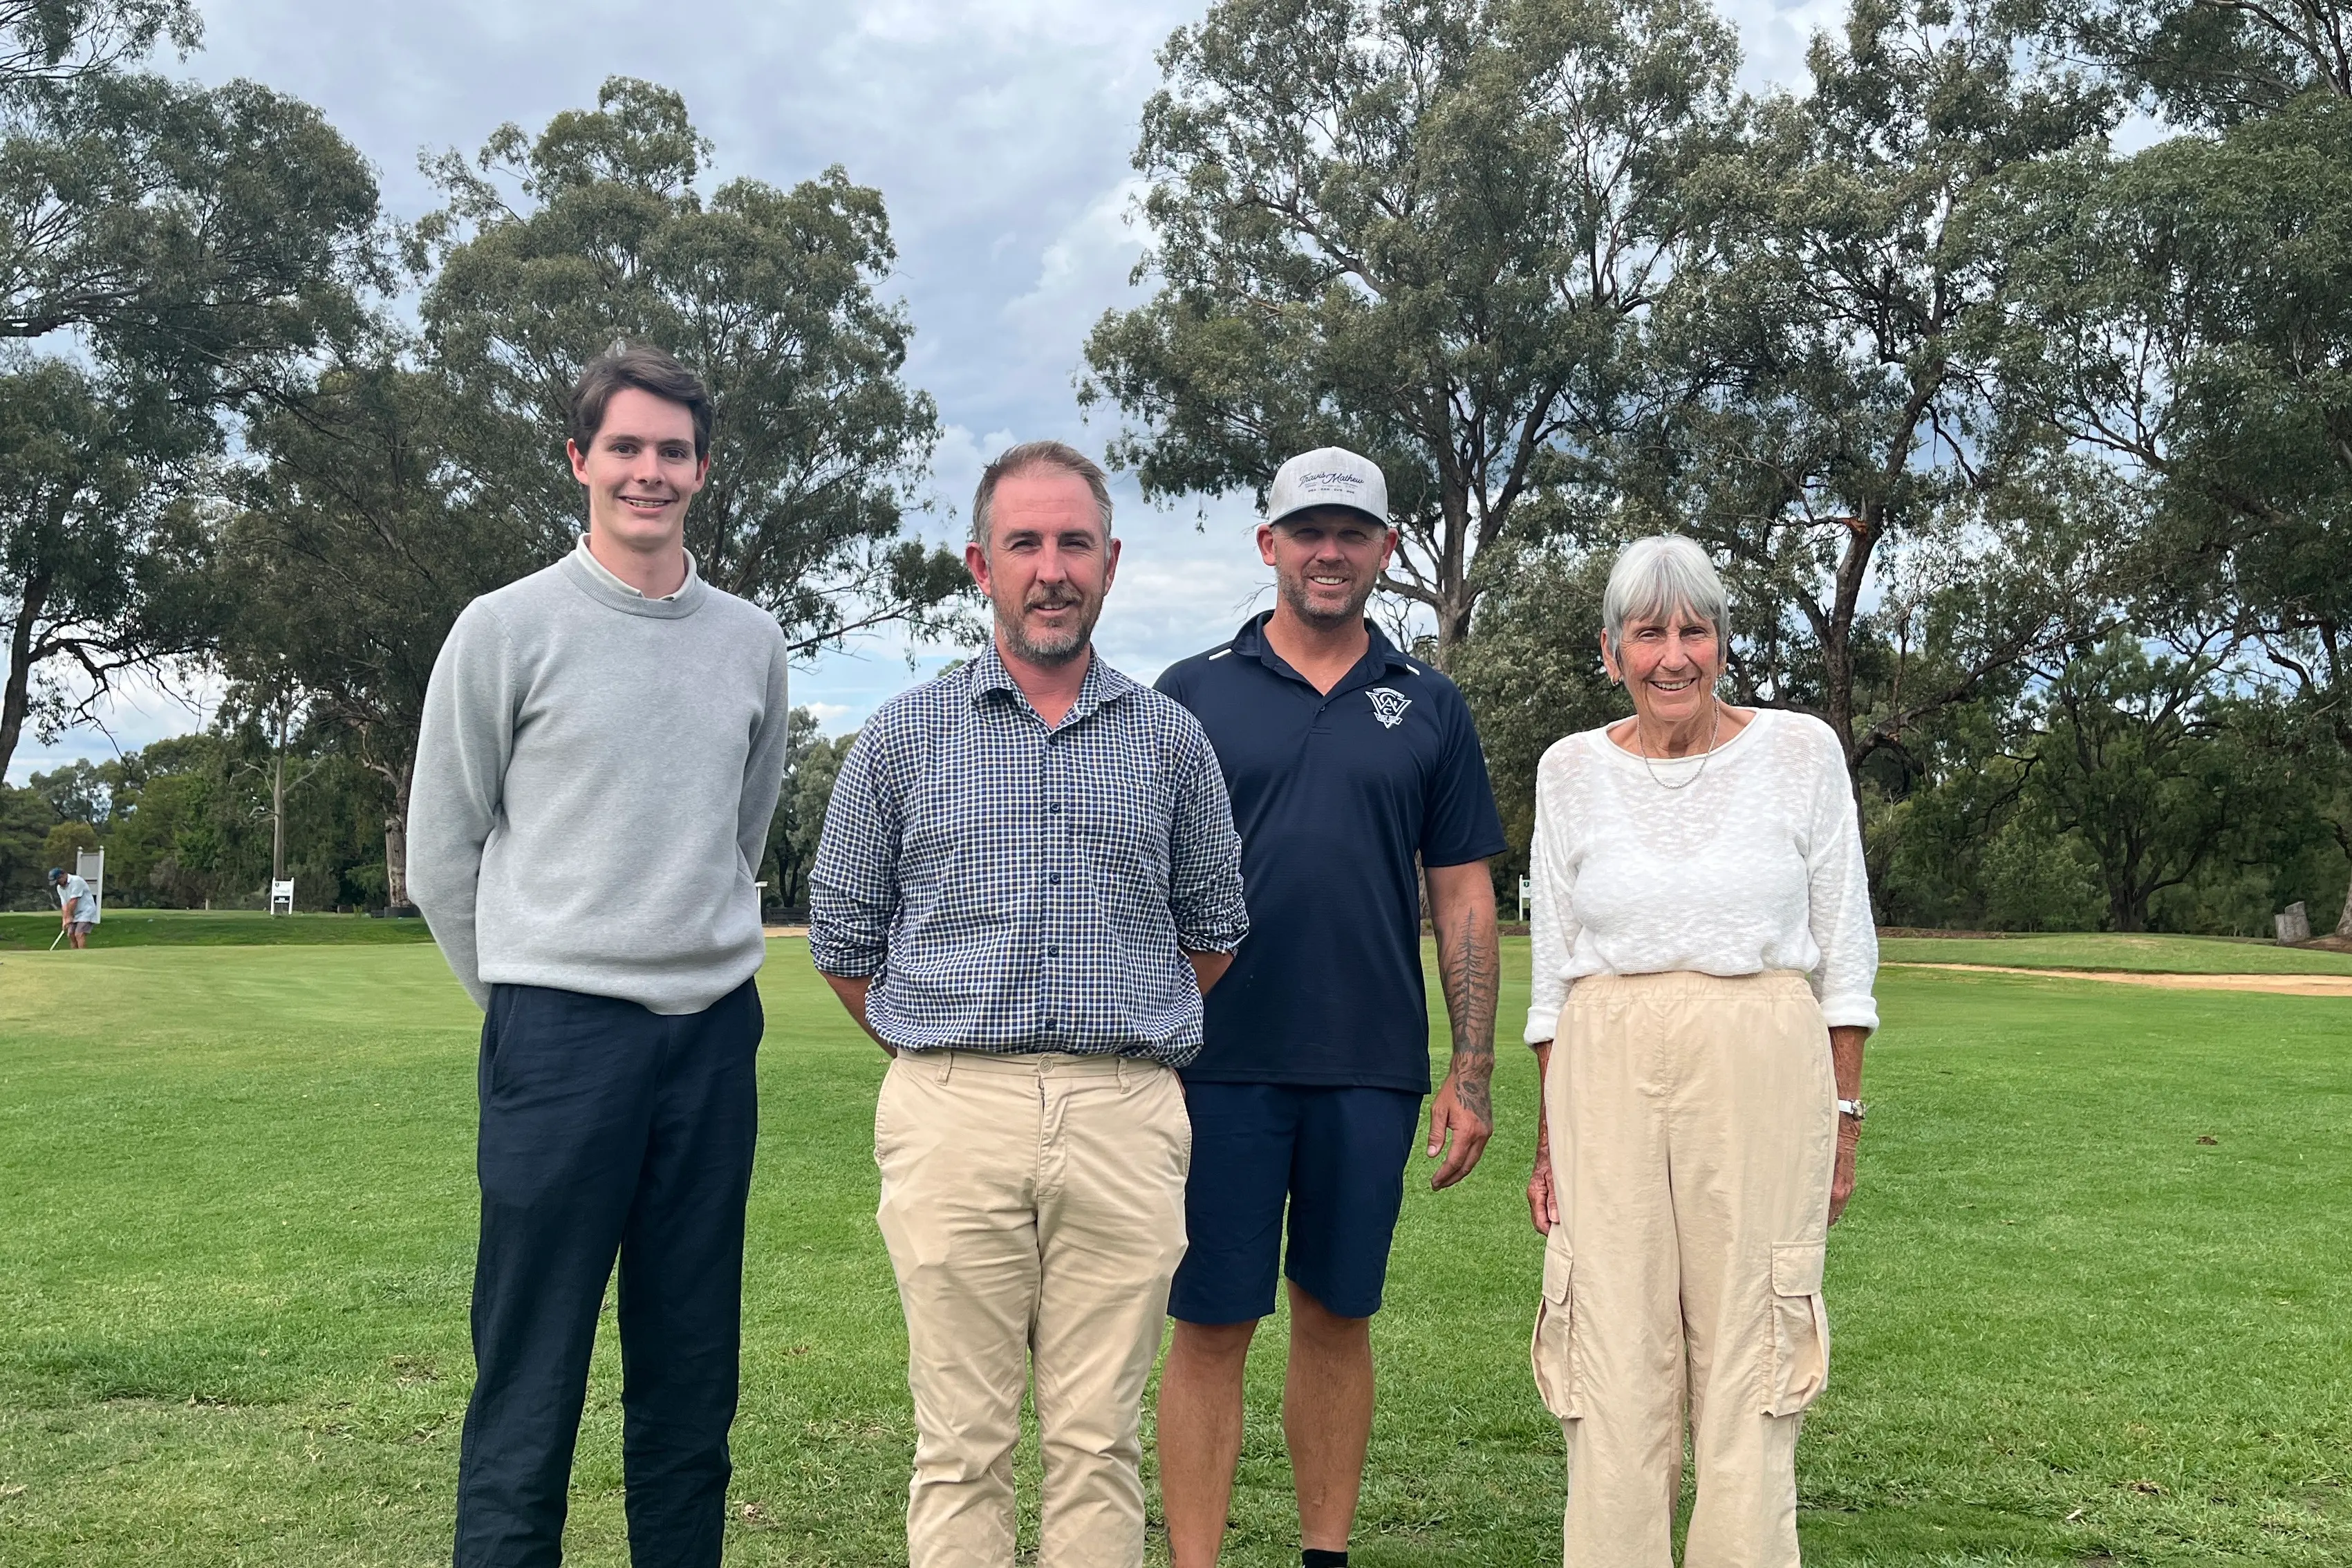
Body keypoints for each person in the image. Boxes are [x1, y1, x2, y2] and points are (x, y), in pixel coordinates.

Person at [808, 439, 1249, 1568]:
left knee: (1099, 1443)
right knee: (959, 1445)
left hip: (1123, 1113)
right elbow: (847, 938)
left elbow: (1212, 928)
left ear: (1110, 562)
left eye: (1073, 544)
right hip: (953, 1109)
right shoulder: (902, 736)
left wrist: (1108, 1042)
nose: (1050, 569)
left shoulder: (1170, 740)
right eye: (1025, 544)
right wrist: (953, 1049)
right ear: (979, 563)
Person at [407, 344, 794, 1568]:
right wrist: (532, 989)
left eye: (672, 450)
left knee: (690, 1373)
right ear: (579, 460)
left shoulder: (749, 641)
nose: (648, 471)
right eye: (623, 447)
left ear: (702, 469)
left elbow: (740, 832)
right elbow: (441, 854)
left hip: (711, 1041)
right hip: (558, 1040)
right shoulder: (505, 627)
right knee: (531, 1373)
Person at [1152, 446, 1507, 1568]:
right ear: (1269, 544)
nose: (1327, 549)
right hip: (1214, 1062)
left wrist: (1473, 1068)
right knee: (1212, 1320)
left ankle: (1324, 1553)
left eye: (1351, 532)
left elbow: (1460, 889)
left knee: (1336, 1312)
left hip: (1368, 1062)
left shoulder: (1428, 703)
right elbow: (1136, 873)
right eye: (1306, 529)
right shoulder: (1191, 691)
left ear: (1383, 552)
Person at [1522, 534, 1876, 1568]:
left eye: (1694, 630)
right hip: (1605, 1065)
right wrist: (1550, 1139)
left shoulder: (1800, 751)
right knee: (1609, 1344)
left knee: (1753, 1343)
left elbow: (1843, 953)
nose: (1672, 656)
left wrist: (1843, 1123)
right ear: (1610, 651)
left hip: (1760, 1060)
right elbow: (1555, 971)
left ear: (1722, 642)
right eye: (1648, 634)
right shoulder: (1570, 770)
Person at [49, 866, 95, 949]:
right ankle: (74, 955)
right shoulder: (60, 888)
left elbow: (74, 900)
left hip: (86, 911)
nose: (58, 884)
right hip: (74, 912)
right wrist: (64, 919)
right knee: (71, 935)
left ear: (63, 876)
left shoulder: (76, 881)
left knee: (79, 933)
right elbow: (64, 904)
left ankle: (83, 955)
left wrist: (70, 916)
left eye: (58, 881)